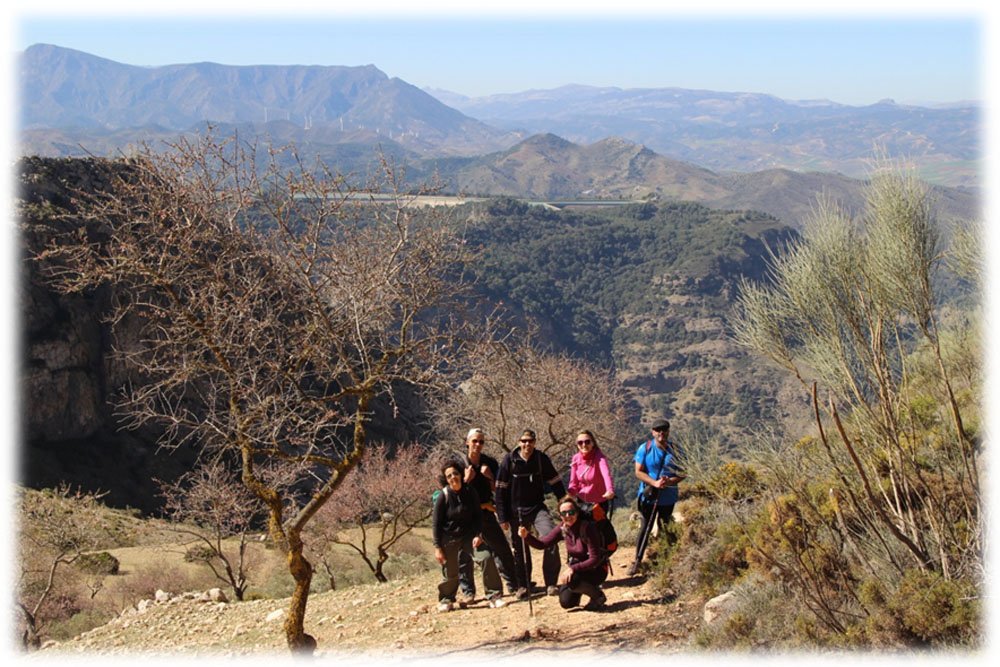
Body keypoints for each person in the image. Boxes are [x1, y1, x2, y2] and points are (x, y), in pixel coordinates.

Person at [495, 429, 567, 599]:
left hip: (537, 508)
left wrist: (564, 504)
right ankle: (523, 585)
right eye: (524, 441)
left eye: (530, 441)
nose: (527, 444)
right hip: (516, 511)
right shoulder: (509, 460)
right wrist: (503, 516)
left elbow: (555, 481)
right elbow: (500, 490)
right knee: (520, 548)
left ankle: (551, 584)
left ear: (535, 442)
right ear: (519, 442)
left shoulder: (541, 459)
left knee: (550, 538)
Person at [454, 428, 516, 607]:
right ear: (467, 442)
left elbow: (499, 489)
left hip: (486, 512)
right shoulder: (458, 464)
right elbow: (453, 493)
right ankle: (468, 592)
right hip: (465, 515)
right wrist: (465, 480)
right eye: (474, 441)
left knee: (501, 548)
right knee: (464, 555)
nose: (478, 444)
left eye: (481, 441)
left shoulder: (490, 463)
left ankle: (514, 584)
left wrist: (490, 477)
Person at [518, 496, 608, 611]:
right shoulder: (563, 527)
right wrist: (527, 536)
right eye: (564, 513)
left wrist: (573, 568)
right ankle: (581, 589)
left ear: (577, 512)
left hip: (597, 569)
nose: (568, 516)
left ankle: (598, 596)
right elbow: (543, 544)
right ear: (560, 515)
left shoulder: (587, 528)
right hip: (579, 569)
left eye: (571, 512)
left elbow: (594, 559)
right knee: (566, 602)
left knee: (573, 580)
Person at [628, 419, 684, 576]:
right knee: (645, 526)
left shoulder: (676, 450)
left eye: (664, 429)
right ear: (652, 432)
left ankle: (666, 560)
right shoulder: (645, 448)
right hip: (648, 495)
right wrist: (655, 483)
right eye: (658, 430)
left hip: (668, 496)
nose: (661, 432)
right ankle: (637, 560)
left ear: (668, 431)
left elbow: (683, 472)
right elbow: (638, 471)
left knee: (665, 526)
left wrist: (669, 482)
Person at [431, 461, 483, 612]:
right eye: (449, 476)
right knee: (450, 570)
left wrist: (478, 534)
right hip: (449, 538)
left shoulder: (470, 491)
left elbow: (478, 516)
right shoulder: (443, 496)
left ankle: (492, 594)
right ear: (446, 479)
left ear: (461, 474)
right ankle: (447, 599)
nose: (453, 477)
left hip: (468, 536)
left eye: (455, 473)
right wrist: (437, 547)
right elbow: (436, 524)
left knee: (485, 558)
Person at [567, 429, 616, 515]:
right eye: (580, 443)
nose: (584, 445)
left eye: (587, 442)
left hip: (599, 504)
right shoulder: (576, 458)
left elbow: (606, 474)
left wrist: (610, 490)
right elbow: (573, 482)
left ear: (592, 443)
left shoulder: (599, 458)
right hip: (581, 502)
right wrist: (570, 494)